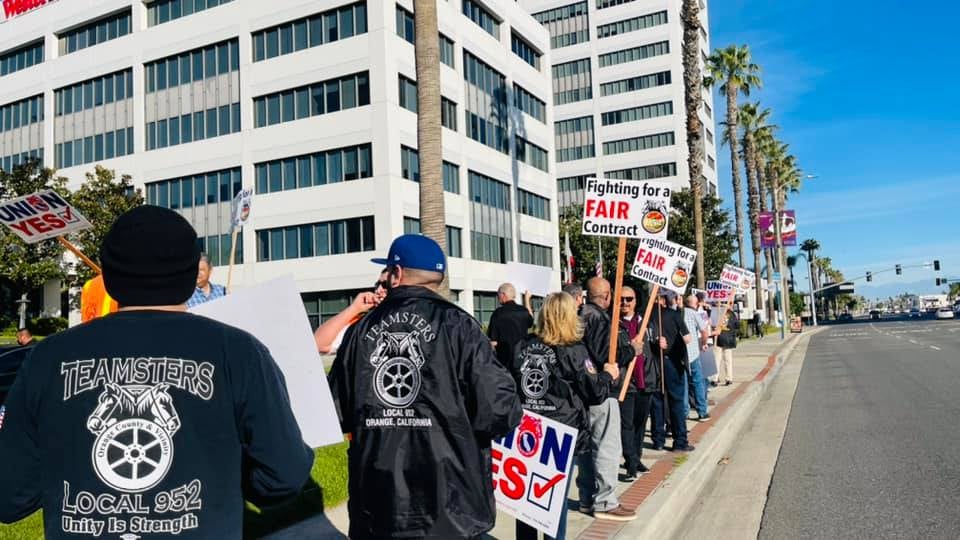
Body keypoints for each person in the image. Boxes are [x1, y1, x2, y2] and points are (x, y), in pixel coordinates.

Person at [0, 206, 313, 537]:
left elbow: (10, 496)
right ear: (193, 271)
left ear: (107, 274)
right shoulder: (239, 352)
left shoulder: (47, 357)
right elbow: (285, 475)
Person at [328, 234, 522, 539]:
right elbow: (500, 411)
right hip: (451, 506)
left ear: (397, 273)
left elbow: (338, 412)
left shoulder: (360, 330)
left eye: (387, 272)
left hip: (379, 506)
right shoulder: (461, 326)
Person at [511, 292, 619, 540]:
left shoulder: (523, 346)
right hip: (561, 432)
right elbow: (595, 393)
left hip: (528, 430)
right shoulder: (574, 350)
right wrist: (608, 375)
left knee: (525, 501)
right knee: (553, 501)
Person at [576, 277, 638, 521]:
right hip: (602, 391)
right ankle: (605, 501)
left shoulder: (580, 314)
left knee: (588, 447)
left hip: (586, 390)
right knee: (607, 447)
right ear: (608, 295)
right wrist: (632, 349)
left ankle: (586, 497)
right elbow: (607, 355)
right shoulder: (599, 319)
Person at [617, 286, 656, 479]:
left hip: (645, 379)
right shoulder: (614, 325)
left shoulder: (646, 322)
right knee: (627, 424)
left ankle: (637, 457)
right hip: (626, 382)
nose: (625, 303)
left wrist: (661, 343)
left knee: (641, 423)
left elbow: (654, 347)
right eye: (621, 299)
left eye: (629, 299)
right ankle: (630, 462)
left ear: (635, 301)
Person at [648, 289, 694, 452]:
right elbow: (687, 338)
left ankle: (658, 439)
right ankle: (680, 440)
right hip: (672, 362)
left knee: (657, 401)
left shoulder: (644, 316)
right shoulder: (673, 315)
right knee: (676, 401)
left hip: (651, 363)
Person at [314, 270, 389, 354]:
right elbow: (319, 345)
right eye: (377, 285)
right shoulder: (362, 322)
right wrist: (354, 308)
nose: (378, 290)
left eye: (385, 285)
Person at [487, 282, 534, 368]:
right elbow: (531, 321)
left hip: (504, 360)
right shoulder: (523, 311)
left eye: (498, 295)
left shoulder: (498, 314)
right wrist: (527, 299)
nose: (498, 298)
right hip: (523, 358)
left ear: (503, 295)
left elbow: (493, 342)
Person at [683, 295, 710, 421]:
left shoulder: (678, 313)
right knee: (698, 382)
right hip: (693, 353)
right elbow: (704, 331)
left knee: (683, 384)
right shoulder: (694, 314)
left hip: (681, 354)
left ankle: (684, 412)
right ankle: (702, 411)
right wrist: (703, 343)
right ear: (696, 304)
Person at [715, 308, 739, 386]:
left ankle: (715, 378)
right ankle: (729, 378)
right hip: (728, 339)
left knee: (717, 359)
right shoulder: (732, 314)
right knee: (728, 360)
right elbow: (737, 325)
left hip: (718, 338)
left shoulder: (717, 311)